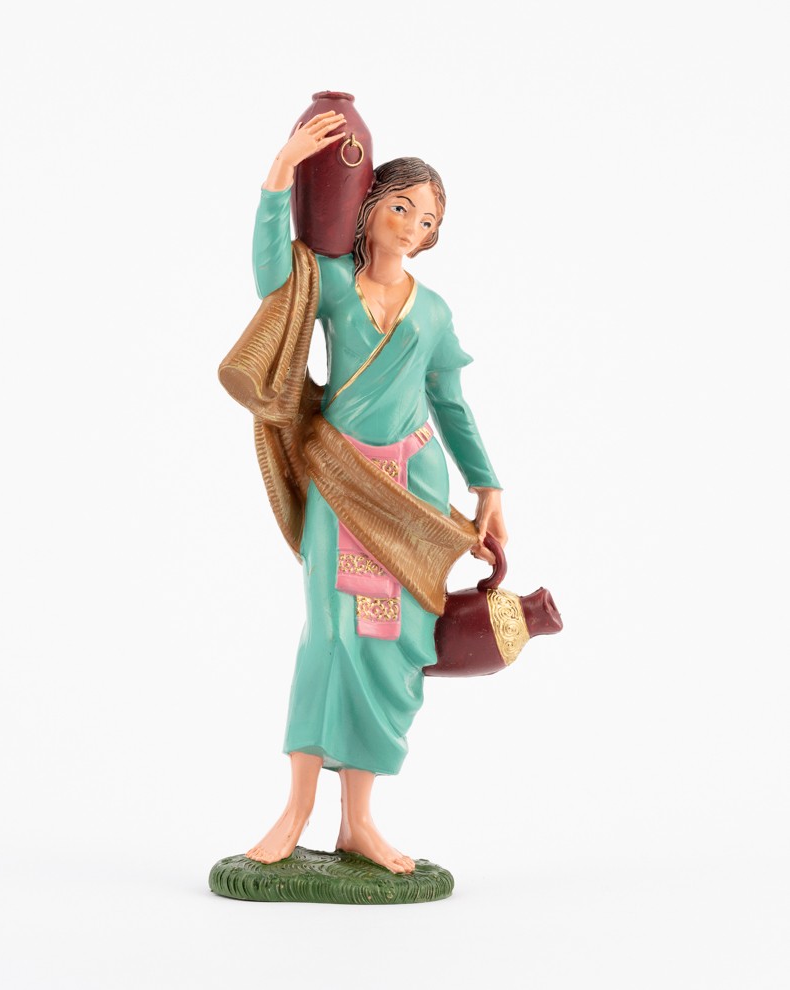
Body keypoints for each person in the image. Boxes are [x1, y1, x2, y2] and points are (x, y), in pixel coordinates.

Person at [244, 111, 507, 874]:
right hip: (341, 479)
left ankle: (357, 821)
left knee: (390, 648)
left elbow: (450, 404)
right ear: (367, 208)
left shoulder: (433, 312)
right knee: (330, 636)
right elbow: (272, 277)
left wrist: (486, 484)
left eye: (427, 218)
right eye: (401, 206)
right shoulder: (331, 284)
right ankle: (295, 809)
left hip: (414, 492)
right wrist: (281, 173)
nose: (413, 225)